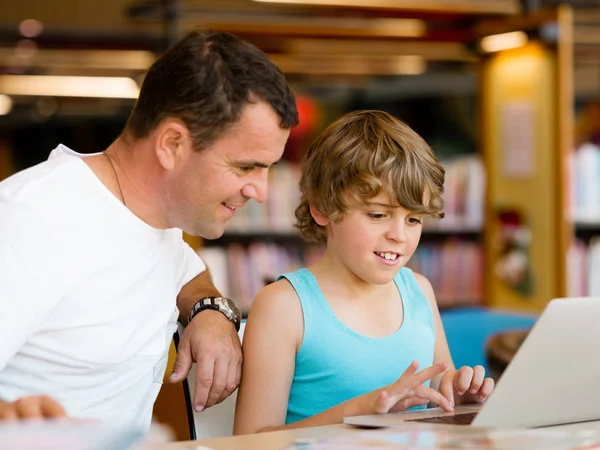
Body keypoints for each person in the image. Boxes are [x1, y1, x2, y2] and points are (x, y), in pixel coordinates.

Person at [0, 29, 298, 428]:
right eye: (245, 166)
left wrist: (210, 309)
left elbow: (185, 270)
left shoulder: (160, 221)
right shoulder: (31, 220)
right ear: (172, 144)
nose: (260, 190)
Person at [233, 110, 494, 434]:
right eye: (377, 215)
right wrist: (361, 411)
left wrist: (460, 395)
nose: (399, 235)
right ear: (322, 208)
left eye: (413, 219)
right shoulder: (284, 305)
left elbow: (442, 392)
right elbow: (248, 441)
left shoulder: (419, 290)